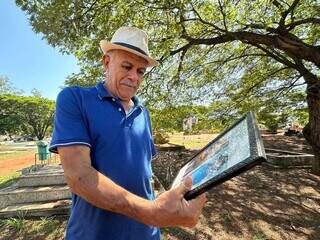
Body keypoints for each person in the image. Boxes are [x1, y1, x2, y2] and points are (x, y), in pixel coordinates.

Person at [49, 26, 206, 240]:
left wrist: (179, 191)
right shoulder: (74, 99)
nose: (134, 77)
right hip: (93, 234)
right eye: (127, 66)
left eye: (140, 71)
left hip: (147, 234)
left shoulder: (144, 113)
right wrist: (153, 213)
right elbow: (79, 176)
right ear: (106, 62)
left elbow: (143, 173)